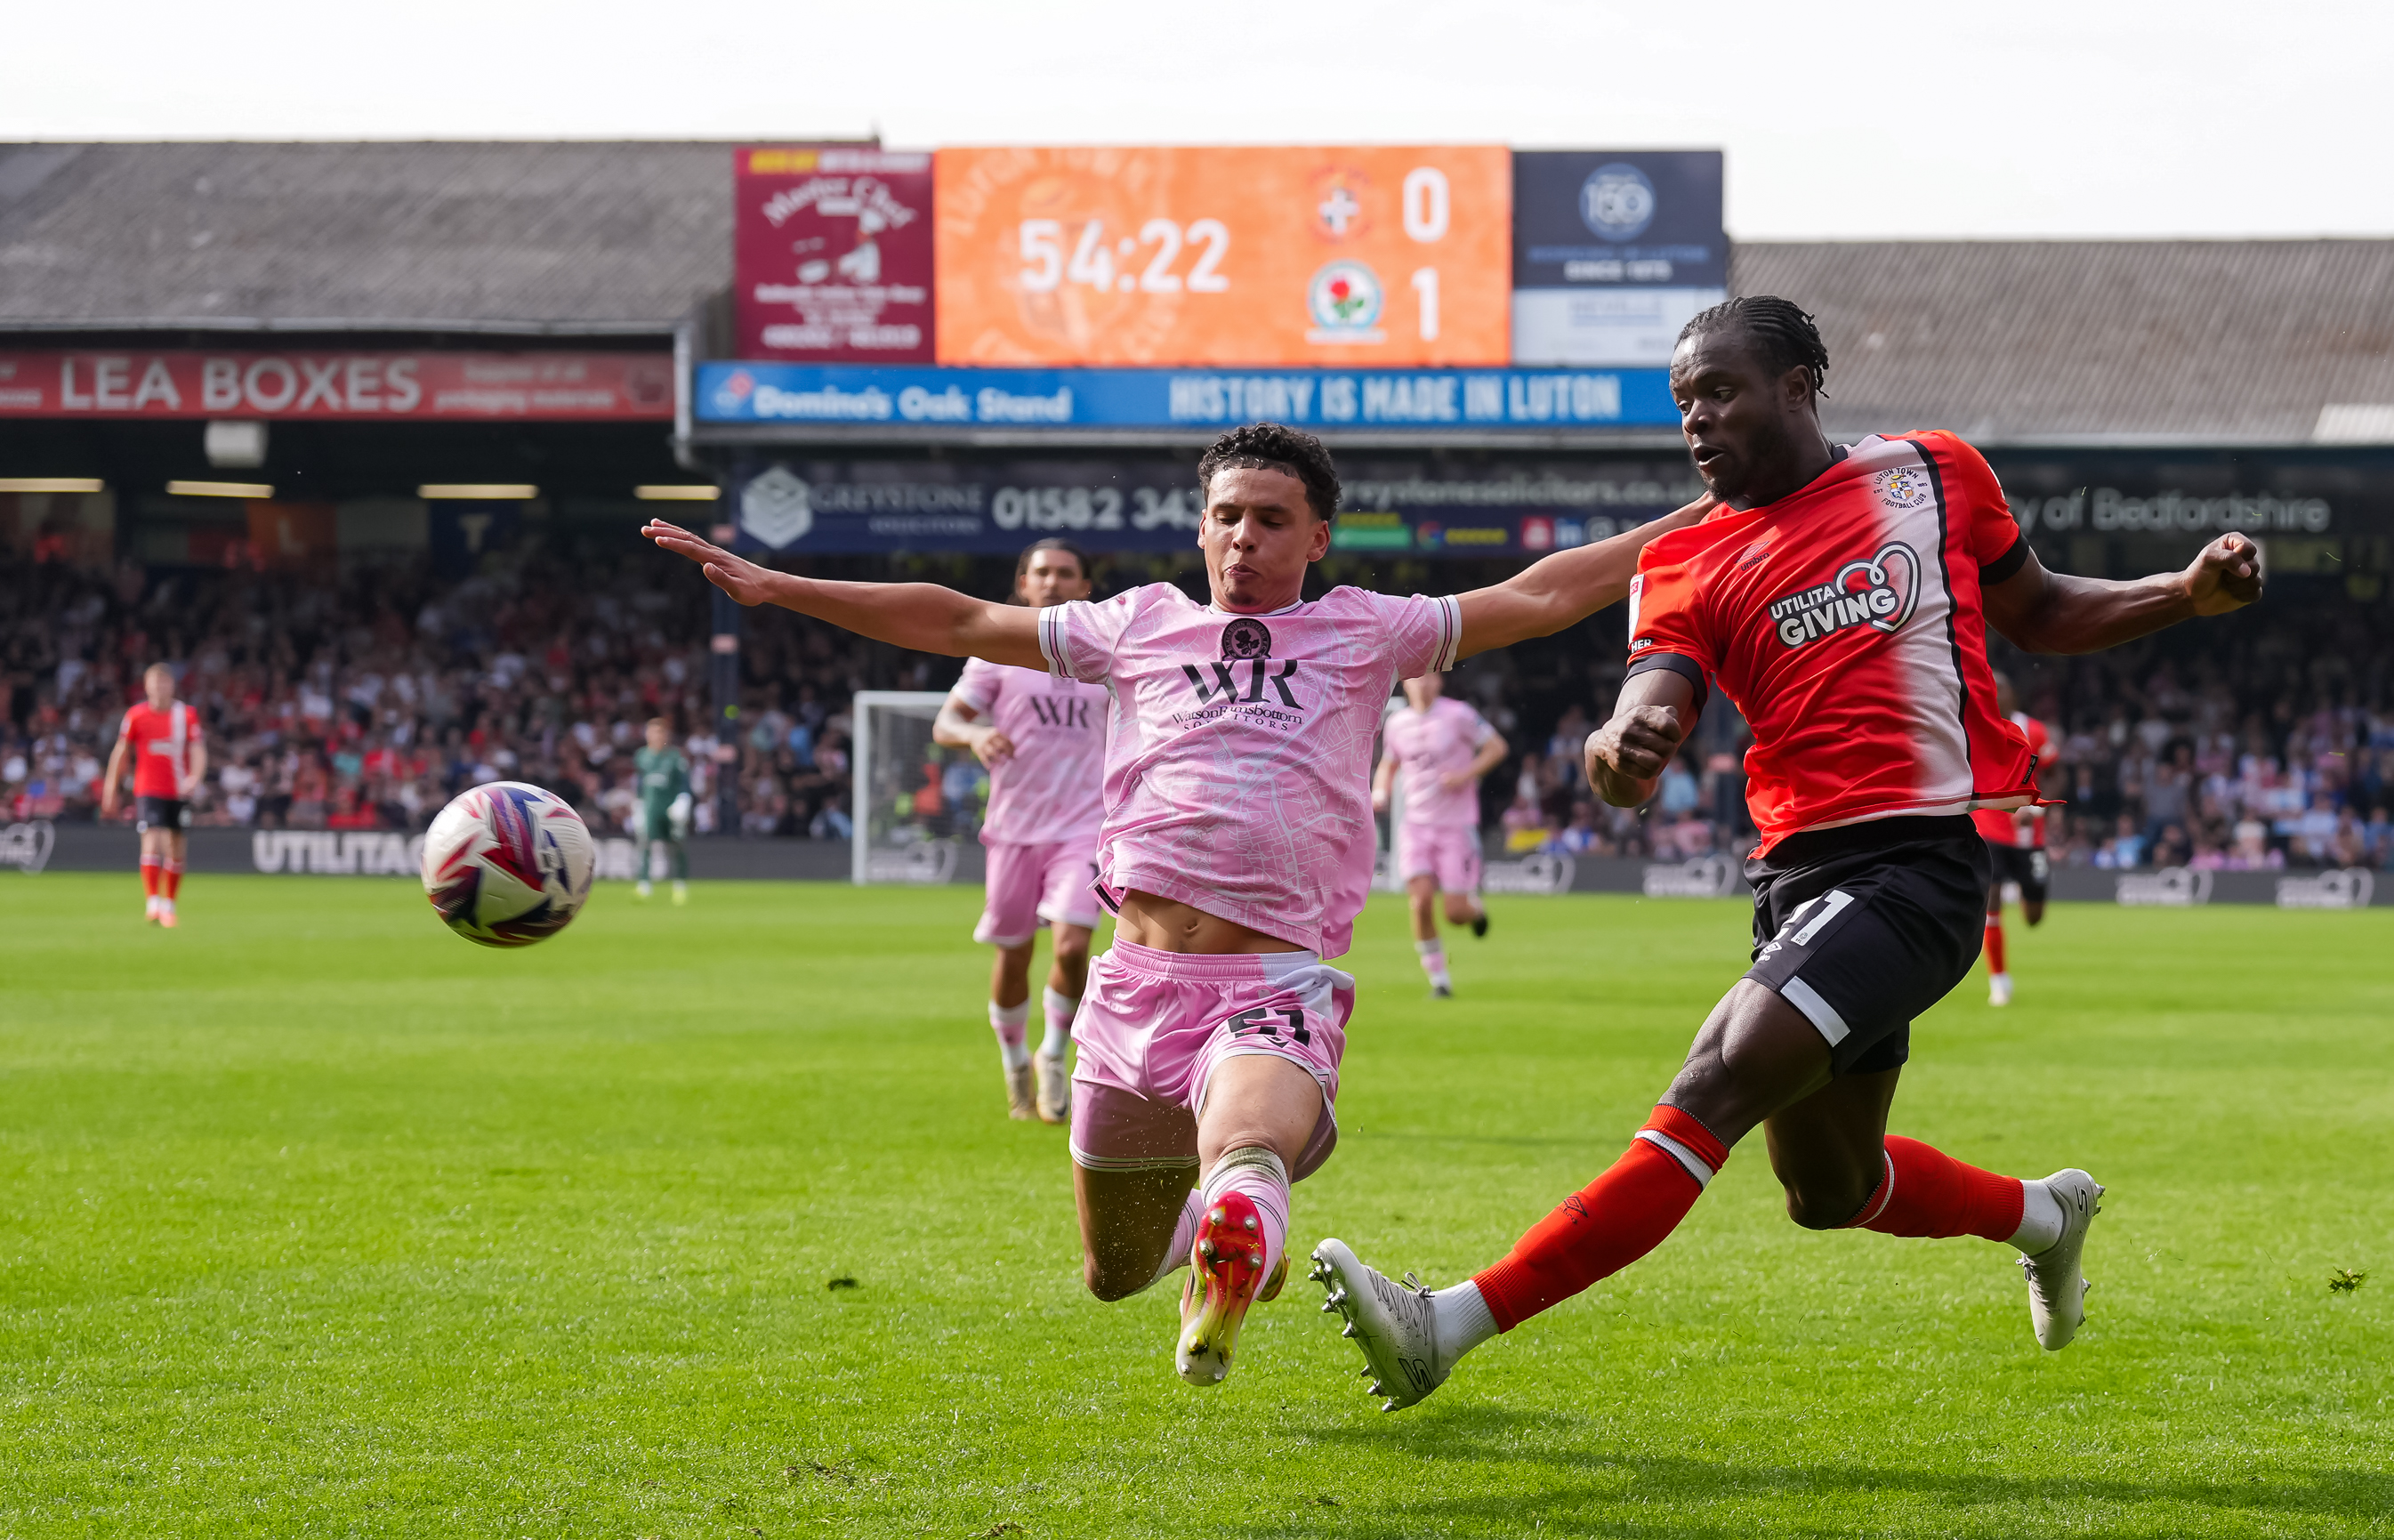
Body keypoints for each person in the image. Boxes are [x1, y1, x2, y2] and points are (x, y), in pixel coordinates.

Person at [1310, 295, 2263, 1410]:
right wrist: (1622, 751)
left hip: (1918, 866)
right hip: (1798, 879)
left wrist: (2181, 595)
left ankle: (1450, 1322)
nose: (1696, 420)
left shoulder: (1934, 472)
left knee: (1717, 1076)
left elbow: (2042, 611)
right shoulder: (1682, 560)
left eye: (1719, 392)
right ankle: (2045, 1213)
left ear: (1800, 386)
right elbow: (1639, 718)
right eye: (1683, 403)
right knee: (1828, 1187)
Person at [645, 424, 1704, 1388]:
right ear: (1201, 527)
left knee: (1249, 1149)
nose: (1245, 536)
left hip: (1269, 984)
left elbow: (1550, 590)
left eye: (1272, 519)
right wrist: (782, 586)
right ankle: (1227, 1237)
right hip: (1131, 986)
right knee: (1112, 1274)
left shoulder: (1368, 631)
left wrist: (1715, 510)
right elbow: (961, 615)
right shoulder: (1134, 625)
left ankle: (1241, 1215)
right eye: (1228, 515)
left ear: (1318, 537)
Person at [931, 538, 1108, 1123]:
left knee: (1074, 942)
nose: (1053, 582)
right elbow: (947, 721)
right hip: (1013, 829)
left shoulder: (1104, 658)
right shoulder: (997, 655)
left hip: (1086, 826)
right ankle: (1013, 1061)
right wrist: (976, 735)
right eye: (1042, 573)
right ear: (1023, 584)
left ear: (1085, 587)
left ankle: (1054, 1055)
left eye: (1065, 573)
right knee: (1013, 955)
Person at [1371, 673, 1505, 997]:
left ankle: (1475, 911)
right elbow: (1390, 763)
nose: (1424, 684)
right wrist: (1379, 792)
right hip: (1415, 825)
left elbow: (1496, 747)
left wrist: (1465, 774)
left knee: (1455, 913)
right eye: (1417, 679)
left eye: (1430, 678)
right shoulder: (1397, 723)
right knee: (1420, 902)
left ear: (1440, 682)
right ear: (1406, 684)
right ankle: (1439, 980)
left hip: (1455, 826)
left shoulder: (1458, 714)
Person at [99, 662, 206, 929]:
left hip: (179, 789)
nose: (160, 688)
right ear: (146, 686)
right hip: (148, 789)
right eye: (155, 683)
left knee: (176, 846)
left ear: (172, 686)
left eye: (164, 683)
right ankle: (153, 904)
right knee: (152, 839)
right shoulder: (136, 716)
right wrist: (110, 788)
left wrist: (195, 777)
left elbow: (198, 749)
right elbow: (121, 752)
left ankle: (169, 905)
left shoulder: (186, 715)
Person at [1974, 673, 2059, 1006]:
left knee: (2034, 918)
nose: (1993, 694)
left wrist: (2038, 809)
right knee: (1991, 907)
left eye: (2000, 688)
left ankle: (2022, 889)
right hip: (1990, 831)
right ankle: (1999, 981)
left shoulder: (2035, 731)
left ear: (2013, 695)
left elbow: (2056, 772)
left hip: (2030, 837)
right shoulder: (1976, 728)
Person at [631, 717, 693, 905]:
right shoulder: (642, 756)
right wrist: (638, 804)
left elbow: (684, 784)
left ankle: (680, 885)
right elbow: (640, 783)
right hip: (651, 807)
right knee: (645, 844)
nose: (656, 736)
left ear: (666, 735)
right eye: (652, 732)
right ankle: (644, 885)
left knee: (677, 845)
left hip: (671, 808)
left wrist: (683, 802)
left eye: (659, 732)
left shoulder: (675, 757)